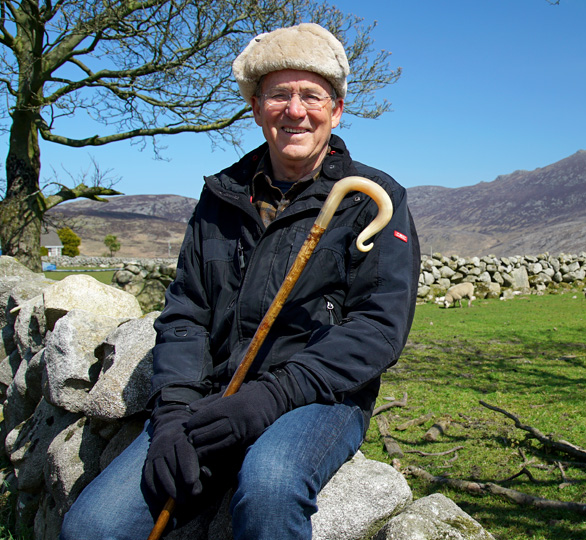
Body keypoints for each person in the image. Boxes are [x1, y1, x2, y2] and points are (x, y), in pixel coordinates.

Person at [61, 23, 419, 539]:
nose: (295, 110)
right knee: (94, 526)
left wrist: (270, 398)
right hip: (214, 392)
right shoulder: (222, 196)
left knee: (271, 486)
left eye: (311, 96)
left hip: (319, 398)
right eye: (278, 94)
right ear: (256, 108)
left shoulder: (372, 198)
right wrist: (172, 416)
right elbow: (187, 312)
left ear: (336, 110)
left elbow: (379, 327)